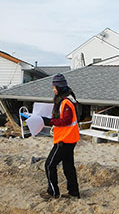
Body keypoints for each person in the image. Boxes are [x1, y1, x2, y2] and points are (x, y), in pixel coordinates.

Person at [40, 73, 80, 201]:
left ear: (60, 87)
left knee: (49, 165)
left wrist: (49, 121)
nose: (53, 89)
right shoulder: (69, 99)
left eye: (54, 87)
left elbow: (66, 121)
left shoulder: (66, 102)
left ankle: (53, 192)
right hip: (69, 139)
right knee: (68, 166)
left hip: (65, 140)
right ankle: (74, 192)